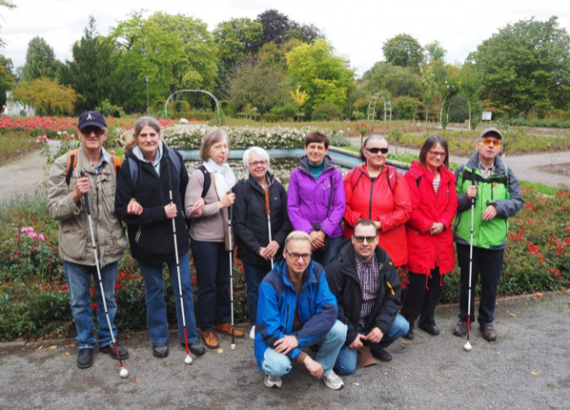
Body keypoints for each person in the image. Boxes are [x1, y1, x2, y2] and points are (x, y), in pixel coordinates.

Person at [115, 117, 204, 359]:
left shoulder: (174, 158)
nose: (148, 140)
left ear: (159, 135)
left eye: (152, 135)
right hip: (146, 242)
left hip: (177, 239)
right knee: (154, 290)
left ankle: (190, 336)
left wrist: (195, 207)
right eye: (143, 136)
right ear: (137, 138)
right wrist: (158, 213)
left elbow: (185, 192)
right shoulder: (129, 166)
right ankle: (160, 338)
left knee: (184, 288)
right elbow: (121, 209)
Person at [48, 110, 129, 369]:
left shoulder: (117, 164)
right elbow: (53, 210)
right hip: (76, 248)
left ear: (105, 133)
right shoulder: (66, 163)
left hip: (108, 246)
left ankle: (107, 339)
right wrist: (74, 195)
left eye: (97, 130)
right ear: (79, 134)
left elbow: (126, 203)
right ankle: (85, 342)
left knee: (108, 298)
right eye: (87, 131)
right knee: (80, 301)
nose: (92, 135)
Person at [452, 128, 523, 341]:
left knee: (490, 283)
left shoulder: (507, 173)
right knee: (467, 282)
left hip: (494, 239)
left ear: (500, 147)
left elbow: (517, 201)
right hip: (468, 238)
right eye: (487, 141)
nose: (491, 145)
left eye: (496, 142)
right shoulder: (462, 170)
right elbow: (449, 202)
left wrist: (498, 207)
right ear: (478, 144)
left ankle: (486, 321)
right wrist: (465, 196)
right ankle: (464, 319)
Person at [254, 231, 347, 390]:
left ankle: (325, 369)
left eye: (305, 255)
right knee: (277, 365)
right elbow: (270, 333)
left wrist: (298, 339)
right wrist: (305, 358)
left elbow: (330, 309)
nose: (301, 261)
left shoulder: (317, 271)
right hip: (277, 337)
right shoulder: (269, 284)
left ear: (311, 253)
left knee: (339, 329)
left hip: (302, 333)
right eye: (295, 255)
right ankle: (273, 372)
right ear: (284, 253)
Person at [185, 129, 244, 349]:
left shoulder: (228, 171)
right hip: (205, 239)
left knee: (224, 281)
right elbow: (190, 210)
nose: (223, 150)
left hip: (226, 238)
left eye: (226, 146)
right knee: (208, 285)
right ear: (208, 148)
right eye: (218, 146)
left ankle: (223, 321)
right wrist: (220, 205)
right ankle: (207, 328)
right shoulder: (200, 174)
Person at [326, 219, 409, 375]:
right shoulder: (337, 266)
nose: (365, 243)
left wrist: (381, 327)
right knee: (346, 368)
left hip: (371, 321)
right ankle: (351, 345)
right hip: (347, 323)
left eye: (370, 238)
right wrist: (350, 335)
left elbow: (393, 297)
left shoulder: (385, 263)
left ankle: (371, 346)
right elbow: (331, 304)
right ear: (352, 239)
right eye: (360, 238)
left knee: (402, 325)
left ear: (377, 240)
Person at [400, 135, 458, 340]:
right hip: (420, 238)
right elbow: (411, 208)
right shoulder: (413, 177)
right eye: (434, 152)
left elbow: (453, 205)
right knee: (417, 284)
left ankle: (427, 319)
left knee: (436, 283)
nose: (438, 156)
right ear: (425, 152)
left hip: (441, 238)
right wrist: (427, 225)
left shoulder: (449, 177)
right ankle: (406, 321)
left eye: (442, 153)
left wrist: (442, 223)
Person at [233, 147, 292, 339]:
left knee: (278, 286)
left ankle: (277, 320)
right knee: (255, 287)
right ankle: (256, 322)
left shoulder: (278, 187)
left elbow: (287, 220)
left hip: (276, 249)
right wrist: (258, 248)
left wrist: (277, 242)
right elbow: (239, 224)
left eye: (262, 162)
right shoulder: (241, 189)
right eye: (254, 163)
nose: (259, 166)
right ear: (247, 166)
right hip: (254, 251)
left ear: (267, 163)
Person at [343, 136, 412, 267]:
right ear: (365, 152)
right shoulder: (352, 176)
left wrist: (380, 224)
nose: (379, 154)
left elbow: (405, 210)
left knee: (386, 285)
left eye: (384, 150)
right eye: (374, 150)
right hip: (357, 242)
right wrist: (358, 223)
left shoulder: (396, 177)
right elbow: (342, 206)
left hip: (389, 244)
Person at [287, 132, 346, 267]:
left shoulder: (335, 174)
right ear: (305, 148)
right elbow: (292, 207)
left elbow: (339, 206)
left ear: (326, 150)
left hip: (331, 235)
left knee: (330, 273)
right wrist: (309, 232)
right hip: (303, 234)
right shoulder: (296, 174)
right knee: (304, 272)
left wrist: (323, 231)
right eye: (312, 147)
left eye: (319, 147)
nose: (315, 151)